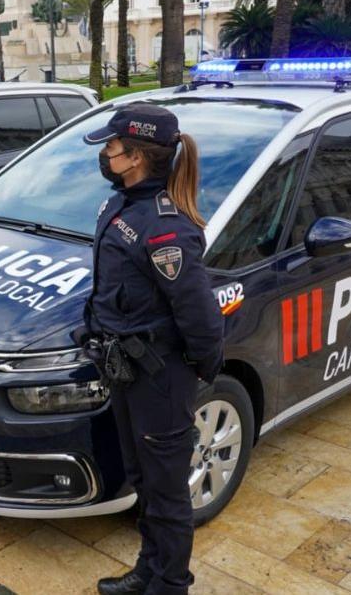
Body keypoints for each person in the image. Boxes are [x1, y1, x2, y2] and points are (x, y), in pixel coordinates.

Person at [77, 103, 224, 595]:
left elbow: (199, 314)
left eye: (111, 148)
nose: (105, 155)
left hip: (158, 376)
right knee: (143, 478)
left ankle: (171, 584)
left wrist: (200, 367)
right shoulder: (119, 204)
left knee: (166, 492)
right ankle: (149, 567)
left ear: (135, 157)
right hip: (124, 369)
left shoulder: (167, 229)